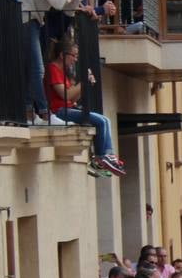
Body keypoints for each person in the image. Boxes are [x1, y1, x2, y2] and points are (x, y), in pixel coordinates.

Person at [44, 38, 127, 176]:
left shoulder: (63, 72)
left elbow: (73, 98)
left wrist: (86, 85)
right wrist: (83, 82)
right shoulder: (53, 69)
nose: (75, 59)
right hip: (58, 111)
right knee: (100, 121)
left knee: (105, 120)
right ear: (62, 55)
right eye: (73, 55)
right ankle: (102, 156)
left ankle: (105, 157)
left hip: (67, 109)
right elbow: (66, 95)